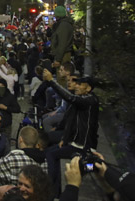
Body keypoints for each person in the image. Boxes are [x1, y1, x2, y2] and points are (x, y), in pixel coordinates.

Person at [41, 69, 99, 197]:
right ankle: (54, 191)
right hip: (73, 142)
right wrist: (65, 139)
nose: (76, 86)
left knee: (52, 155)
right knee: (50, 152)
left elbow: (69, 97)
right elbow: (70, 120)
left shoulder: (90, 100)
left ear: (88, 88)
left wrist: (51, 81)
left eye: (79, 84)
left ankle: (49, 189)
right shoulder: (81, 100)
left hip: (82, 147)